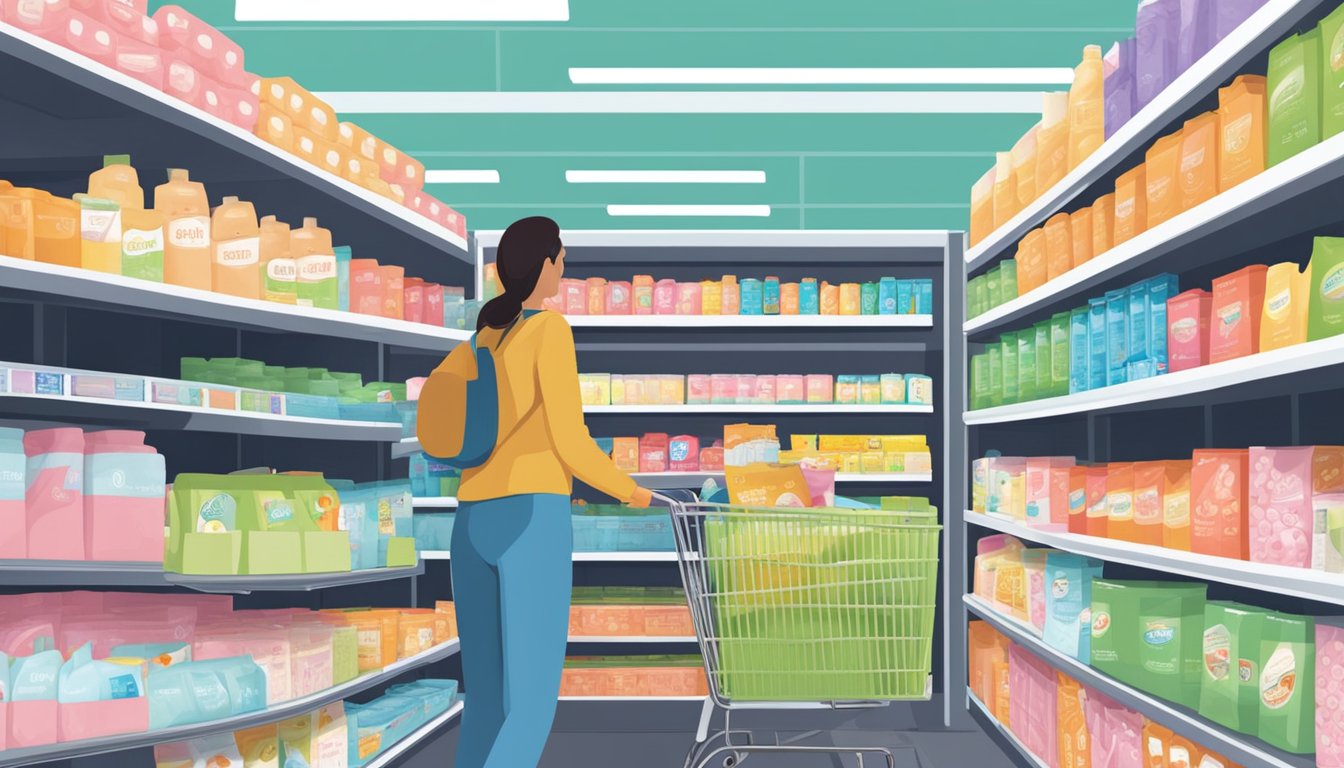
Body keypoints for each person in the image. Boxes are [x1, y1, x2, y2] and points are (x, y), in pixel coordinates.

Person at [419, 216, 652, 768]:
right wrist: (634, 493)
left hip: (471, 521)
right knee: (531, 707)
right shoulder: (550, 330)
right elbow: (571, 442)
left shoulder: (483, 338)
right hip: (529, 520)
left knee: (486, 704)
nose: (565, 268)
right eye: (562, 259)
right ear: (544, 264)